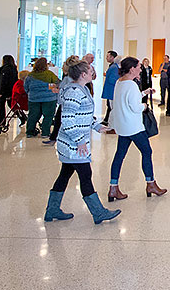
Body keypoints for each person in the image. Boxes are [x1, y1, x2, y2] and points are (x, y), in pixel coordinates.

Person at [44, 60, 121, 225]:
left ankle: (52, 209)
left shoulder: (82, 89)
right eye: (90, 70)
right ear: (83, 74)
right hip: (73, 145)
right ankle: (98, 212)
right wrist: (80, 141)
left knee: (64, 175)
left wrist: (97, 126)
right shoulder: (73, 92)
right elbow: (67, 119)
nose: (93, 72)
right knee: (86, 176)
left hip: (74, 143)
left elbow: (83, 116)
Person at [107, 57, 167, 202]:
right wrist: (144, 106)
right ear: (132, 68)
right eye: (139, 67)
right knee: (147, 152)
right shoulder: (132, 85)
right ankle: (151, 183)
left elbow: (126, 100)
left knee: (119, 155)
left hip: (122, 126)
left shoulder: (120, 82)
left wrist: (144, 92)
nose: (140, 69)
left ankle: (113, 187)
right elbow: (135, 107)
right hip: (134, 127)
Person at [44, 55, 83, 146]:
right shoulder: (72, 78)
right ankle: (54, 138)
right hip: (65, 103)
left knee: (61, 120)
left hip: (66, 104)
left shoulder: (70, 79)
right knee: (58, 120)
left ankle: (55, 138)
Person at [24, 57, 60, 138]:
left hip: (33, 99)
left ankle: (30, 132)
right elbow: (57, 84)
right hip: (49, 99)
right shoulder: (50, 74)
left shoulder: (30, 76)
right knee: (48, 116)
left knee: (33, 115)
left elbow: (26, 87)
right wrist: (50, 88)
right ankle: (45, 133)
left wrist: (31, 93)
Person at [0, 55, 19, 127]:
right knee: (11, 105)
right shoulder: (14, 69)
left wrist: (0, 92)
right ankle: (22, 117)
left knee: (1, 106)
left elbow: (2, 82)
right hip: (12, 90)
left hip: (5, 91)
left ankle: (1, 121)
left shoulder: (4, 69)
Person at [101, 51, 120, 124]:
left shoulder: (113, 67)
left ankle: (107, 121)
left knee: (110, 106)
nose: (106, 58)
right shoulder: (114, 67)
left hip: (111, 90)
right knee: (111, 106)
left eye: (108, 56)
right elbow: (113, 79)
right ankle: (109, 122)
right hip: (111, 90)